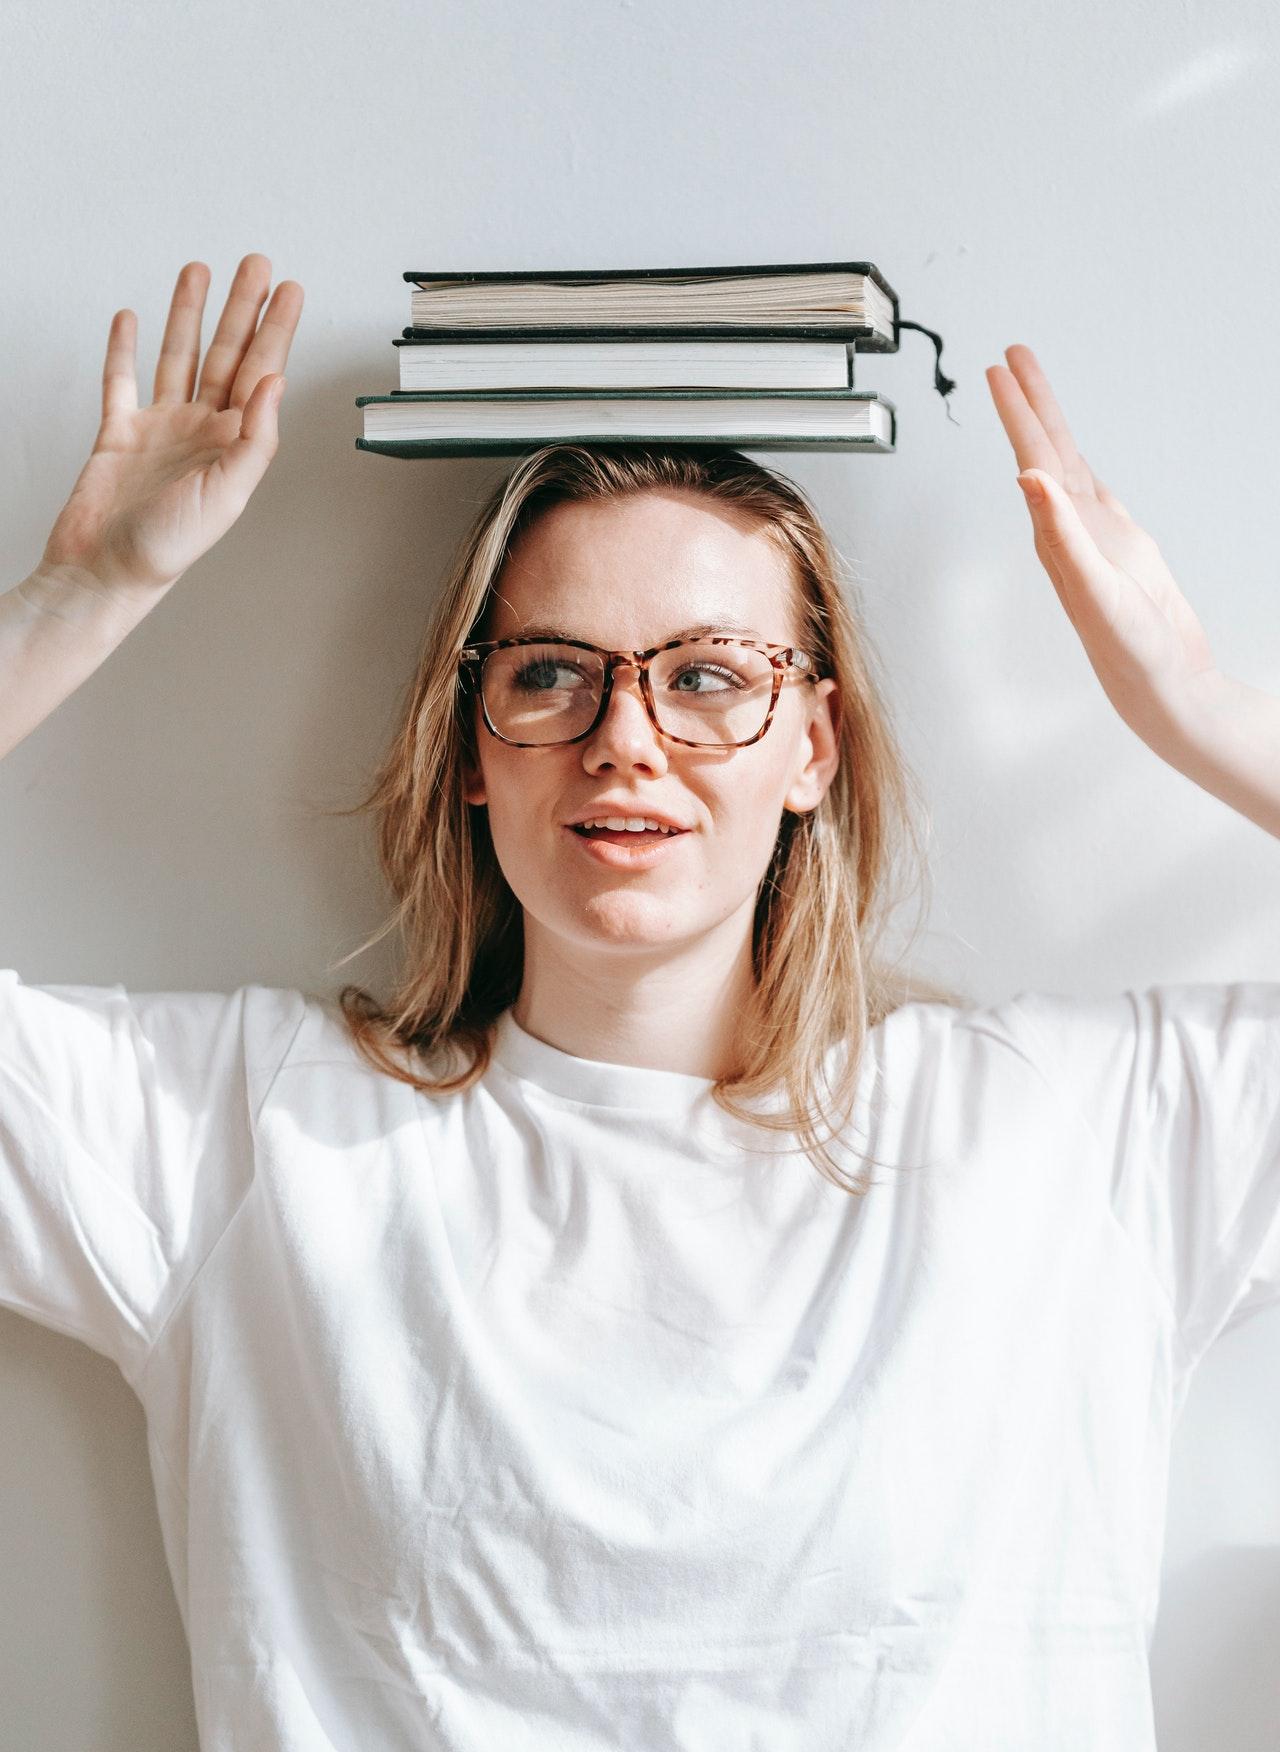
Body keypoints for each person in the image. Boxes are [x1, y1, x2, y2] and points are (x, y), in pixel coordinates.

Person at [0, 252, 1276, 1752]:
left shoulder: (1079, 1135)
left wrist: (1195, 706)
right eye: (552, 674)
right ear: (471, 747)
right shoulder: (237, 1138)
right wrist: (79, 596)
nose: (625, 740)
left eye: (711, 677)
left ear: (816, 747)